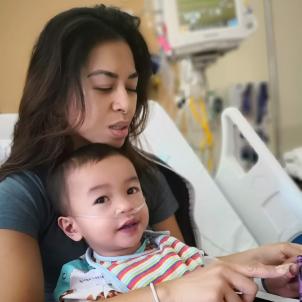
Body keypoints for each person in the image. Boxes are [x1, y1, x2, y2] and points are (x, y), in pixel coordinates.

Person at [0, 4, 301, 302]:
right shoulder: (20, 196)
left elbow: (185, 274)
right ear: (54, 92)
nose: (125, 104)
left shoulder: (141, 175)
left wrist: (259, 269)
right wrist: (164, 294)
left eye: (131, 88)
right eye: (104, 87)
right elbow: (176, 289)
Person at [48, 143, 299, 302]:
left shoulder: (166, 245)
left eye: (132, 190)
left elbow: (212, 274)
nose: (125, 205)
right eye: (102, 199)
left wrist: (268, 280)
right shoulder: (83, 276)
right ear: (72, 227)